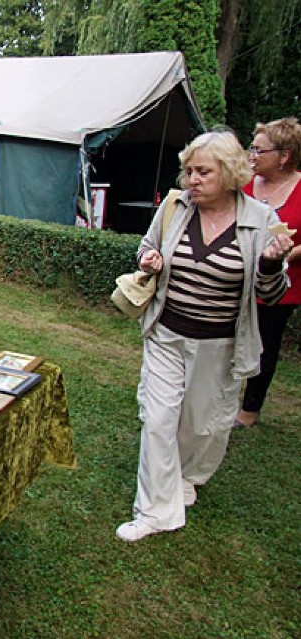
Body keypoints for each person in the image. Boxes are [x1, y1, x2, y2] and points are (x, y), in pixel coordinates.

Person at [116, 130, 293, 543]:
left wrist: (270, 265)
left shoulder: (260, 221)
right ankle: (154, 511)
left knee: (201, 426)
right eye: (189, 171)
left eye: (203, 172)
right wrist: (149, 258)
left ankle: (187, 476)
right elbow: (145, 247)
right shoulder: (174, 207)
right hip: (167, 333)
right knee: (158, 419)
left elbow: (272, 292)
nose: (192, 179)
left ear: (229, 173)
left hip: (220, 345)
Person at [235, 117, 301, 427]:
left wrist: (280, 257)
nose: (252, 155)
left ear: (284, 156)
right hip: (238, 278)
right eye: (252, 148)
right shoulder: (244, 181)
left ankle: (250, 408)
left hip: (282, 285)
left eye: (260, 150)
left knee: (265, 345)